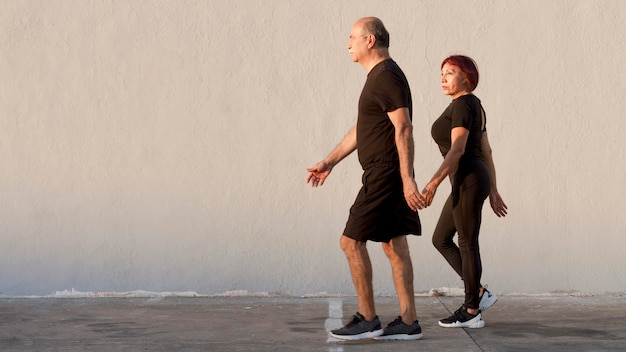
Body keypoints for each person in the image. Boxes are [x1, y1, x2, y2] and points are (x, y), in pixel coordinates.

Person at [306, 17, 425, 341]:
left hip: (385, 172)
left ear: (370, 40)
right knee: (393, 243)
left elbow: (404, 128)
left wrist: (406, 179)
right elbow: (363, 129)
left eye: (352, 38)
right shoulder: (378, 78)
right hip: (384, 171)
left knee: (350, 241)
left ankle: (368, 318)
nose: (348, 44)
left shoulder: (386, 76)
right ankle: (408, 321)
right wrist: (329, 161)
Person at [420, 55, 508, 329]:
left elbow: (458, 149)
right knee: (441, 238)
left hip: (468, 177)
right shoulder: (475, 106)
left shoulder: (462, 104)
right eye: (442, 72)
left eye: (450, 72)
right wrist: (493, 189)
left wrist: (432, 183)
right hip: (472, 178)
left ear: (466, 78)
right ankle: (478, 293)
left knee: (467, 242)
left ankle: (471, 310)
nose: (443, 77)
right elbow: (486, 150)